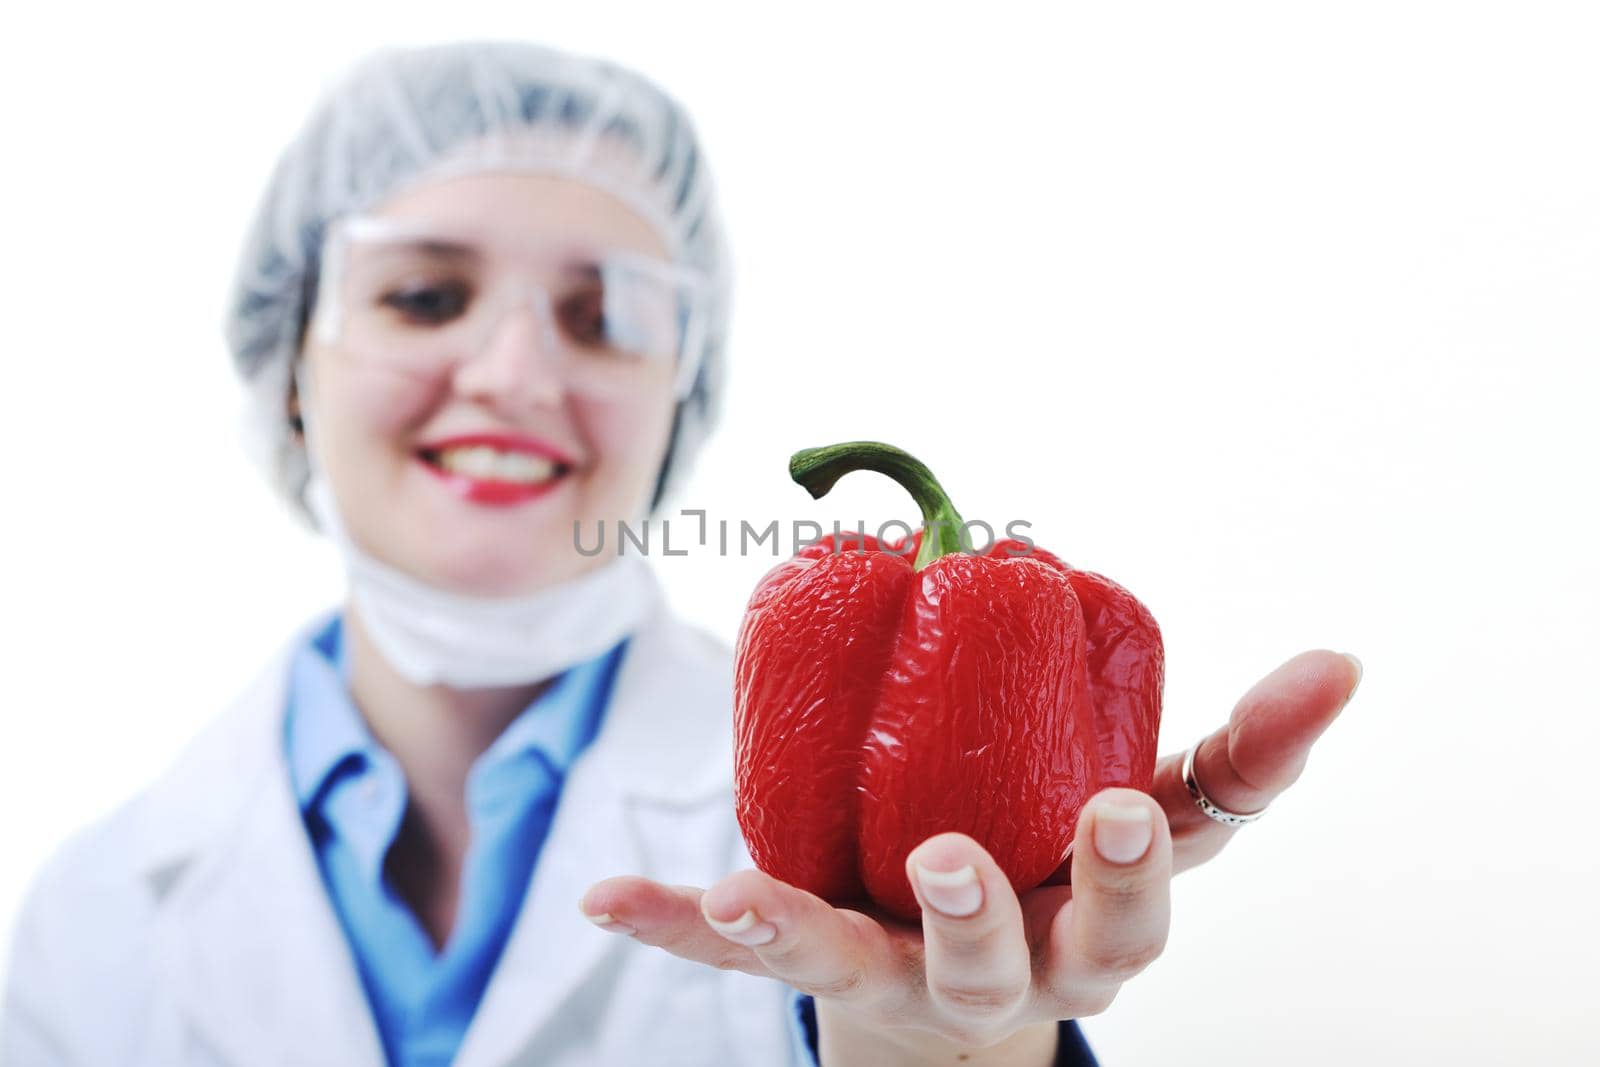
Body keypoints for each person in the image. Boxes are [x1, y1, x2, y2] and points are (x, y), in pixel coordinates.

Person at [0, 40, 1363, 1067]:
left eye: (606, 318)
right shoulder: (92, 914)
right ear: (290, 362)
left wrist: (943, 1054)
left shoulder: (880, 839)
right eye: (425, 294)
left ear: (680, 399)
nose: (520, 373)